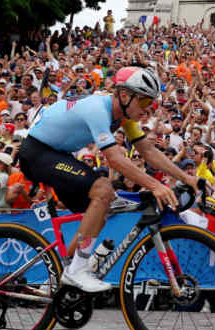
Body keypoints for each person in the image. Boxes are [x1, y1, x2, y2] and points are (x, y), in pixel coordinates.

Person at [16, 66, 189, 293]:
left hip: (57, 154)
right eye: (146, 102)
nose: (149, 110)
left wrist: (188, 179)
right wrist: (154, 185)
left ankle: (61, 281)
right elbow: (115, 159)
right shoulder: (98, 108)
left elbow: (147, 151)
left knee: (101, 208)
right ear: (125, 96)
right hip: (37, 153)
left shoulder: (122, 116)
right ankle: (75, 271)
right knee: (103, 189)